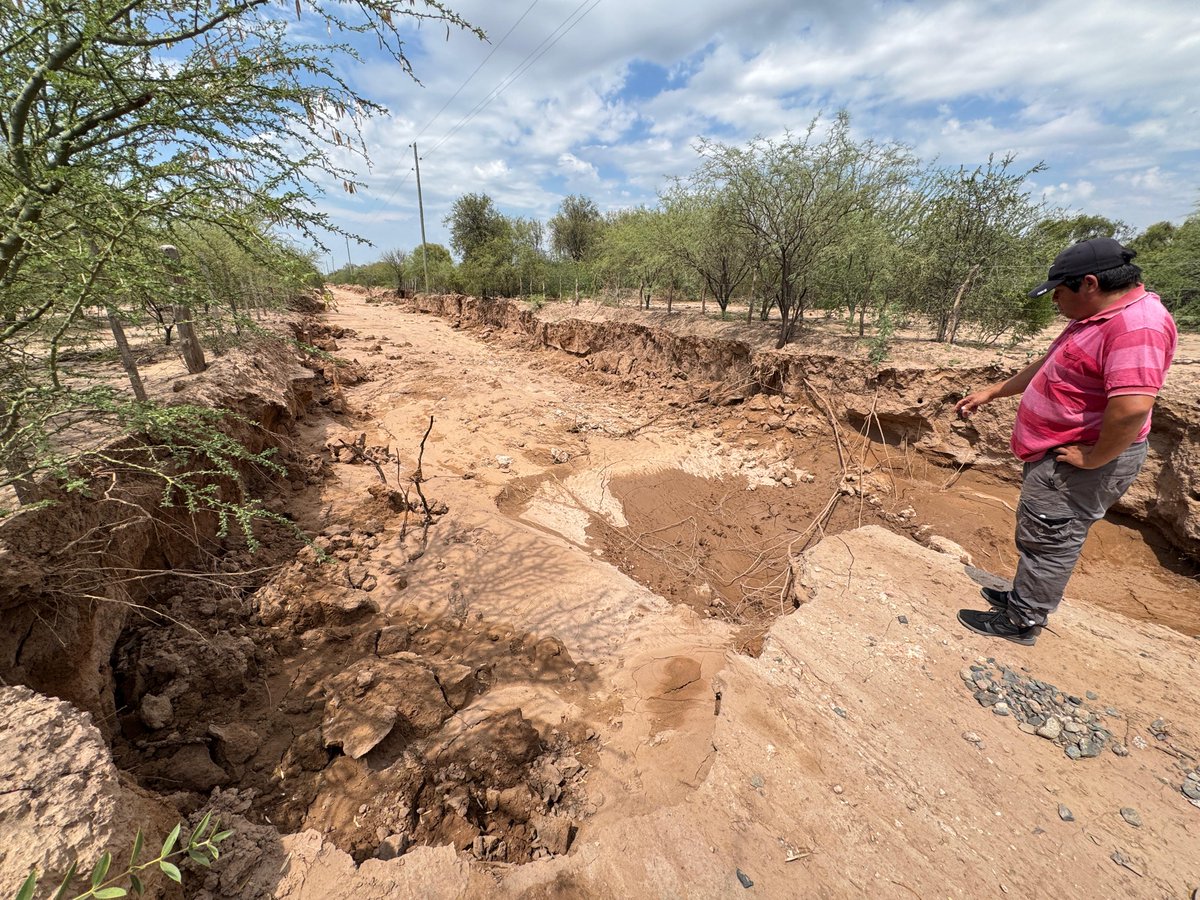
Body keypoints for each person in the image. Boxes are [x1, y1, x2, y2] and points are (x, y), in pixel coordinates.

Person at [954, 237, 1177, 645]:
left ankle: (1022, 621)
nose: (1055, 300)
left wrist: (1094, 458)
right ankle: (1023, 598)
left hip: (1079, 463)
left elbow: (1130, 409)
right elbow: (1051, 364)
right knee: (1041, 530)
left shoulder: (1136, 326)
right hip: (1059, 454)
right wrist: (994, 391)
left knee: (1053, 537)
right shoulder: (1099, 316)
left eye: (1058, 291)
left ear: (1089, 283)